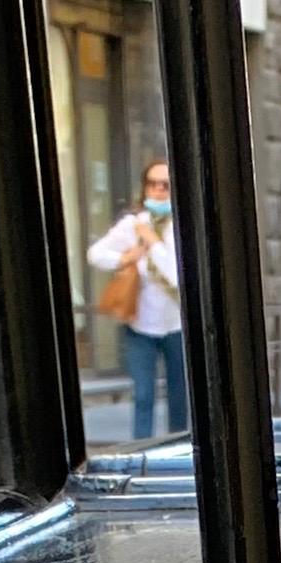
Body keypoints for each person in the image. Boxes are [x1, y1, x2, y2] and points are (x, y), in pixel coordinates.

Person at [89, 166, 186, 442]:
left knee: (179, 396)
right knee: (143, 395)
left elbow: (175, 275)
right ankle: (141, 450)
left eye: (165, 185)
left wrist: (153, 242)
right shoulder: (133, 224)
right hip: (140, 324)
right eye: (153, 184)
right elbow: (95, 254)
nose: (159, 190)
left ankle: (180, 449)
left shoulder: (181, 225)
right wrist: (125, 258)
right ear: (145, 188)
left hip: (176, 324)